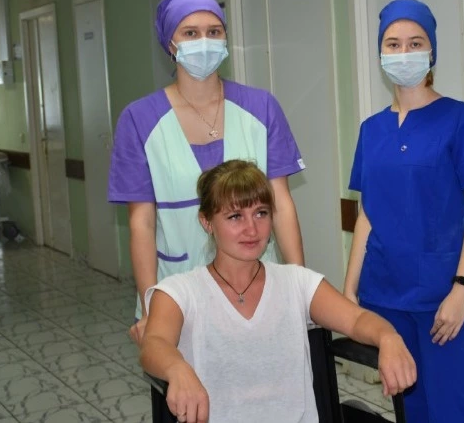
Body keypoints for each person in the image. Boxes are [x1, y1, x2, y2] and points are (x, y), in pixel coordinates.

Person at [140, 159, 416, 423]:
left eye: (261, 213)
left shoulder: (296, 282)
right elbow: (154, 344)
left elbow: (356, 319)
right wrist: (177, 369)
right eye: (235, 216)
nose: (251, 229)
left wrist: (388, 337)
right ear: (207, 222)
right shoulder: (180, 292)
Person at [108, 0, 306, 344]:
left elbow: (281, 204)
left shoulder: (261, 108)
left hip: (260, 286)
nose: (204, 41)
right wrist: (150, 308)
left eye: (214, 31)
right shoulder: (139, 120)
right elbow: (142, 222)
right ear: (170, 44)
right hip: (177, 292)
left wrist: (300, 286)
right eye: (190, 33)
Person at [343, 0, 464, 422]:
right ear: (380, 53)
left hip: (442, 299)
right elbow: (367, 214)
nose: (403, 52)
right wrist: (349, 292)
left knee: (450, 412)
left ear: (432, 51)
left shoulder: (461, 120)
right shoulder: (371, 130)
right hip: (384, 296)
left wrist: (462, 289)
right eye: (392, 44)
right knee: (408, 411)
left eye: (415, 43)